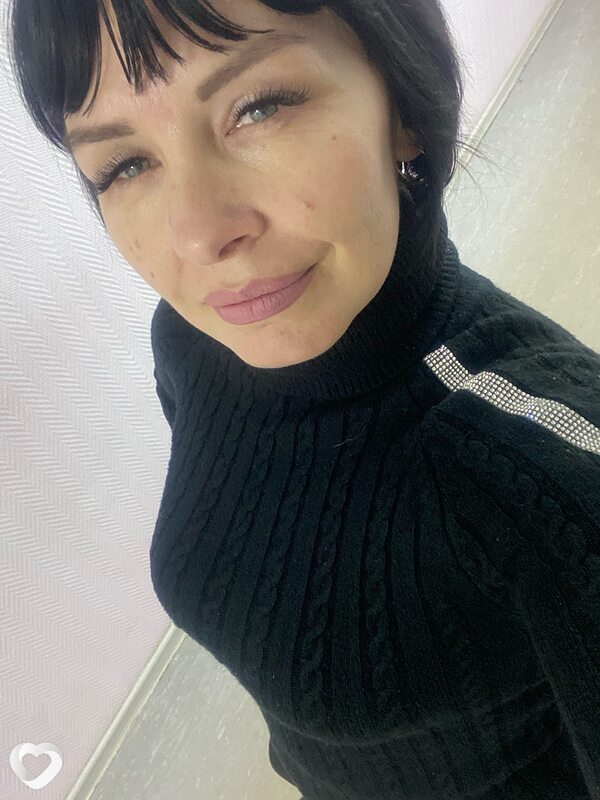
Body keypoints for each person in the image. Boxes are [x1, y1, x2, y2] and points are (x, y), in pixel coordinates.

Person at [9, 1, 600, 798]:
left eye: (259, 107)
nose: (199, 234)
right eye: (124, 165)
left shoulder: (547, 478)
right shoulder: (192, 343)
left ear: (402, 104)